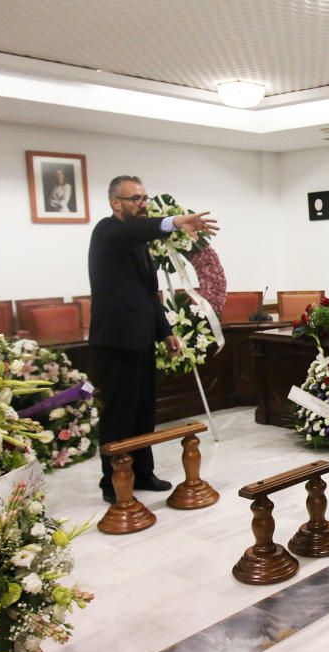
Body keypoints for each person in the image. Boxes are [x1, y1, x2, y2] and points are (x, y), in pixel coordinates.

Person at [89, 175, 218, 503]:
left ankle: (143, 473)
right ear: (115, 203)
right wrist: (175, 221)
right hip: (115, 343)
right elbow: (133, 230)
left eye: (145, 198)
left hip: (142, 339)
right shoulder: (107, 232)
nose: (143, 204)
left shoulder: (138, 241)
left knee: (144, 412)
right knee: (119, 415)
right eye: (135, 199)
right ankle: (113, 484)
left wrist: (166, 332)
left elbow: (149, 294)